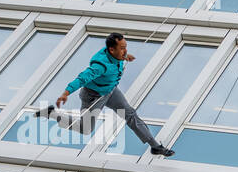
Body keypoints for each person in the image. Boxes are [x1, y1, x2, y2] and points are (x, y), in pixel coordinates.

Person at [35, 32, 176, 157]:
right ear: (111, 49)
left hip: (111, 91)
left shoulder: (117, 55)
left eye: (125, 47)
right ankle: (51, 113)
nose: (125, 51)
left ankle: (155, 146)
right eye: (122, 49)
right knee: (85, 129)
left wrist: (126, 56)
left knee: (130, 113)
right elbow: (82, 78)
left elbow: (120, 56)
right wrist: (66, 93)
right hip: (93, 97)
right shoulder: (100, 65)